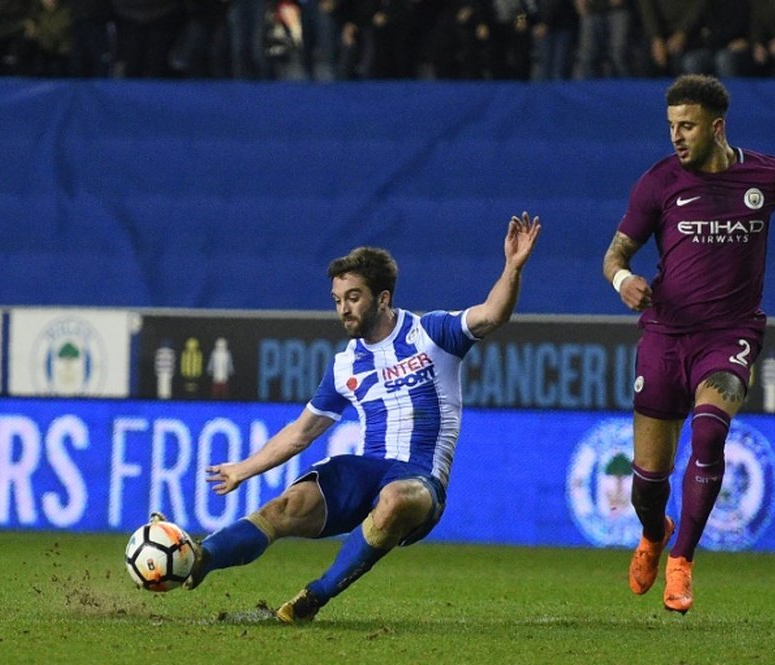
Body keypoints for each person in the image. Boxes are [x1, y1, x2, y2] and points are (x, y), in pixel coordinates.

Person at [184, 212, 542, 624]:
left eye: (353, 297)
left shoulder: (432, 333)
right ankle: (202, 557)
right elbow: (301, 433)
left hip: (420, 479)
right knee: (286, 506)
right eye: (338, 300)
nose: (343, 309)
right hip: (366, 469)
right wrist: (242, 470)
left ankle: (313, 597)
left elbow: (492, 313)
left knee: (393, 501)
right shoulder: (344, 366)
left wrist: (512, 269)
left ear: (383, 298)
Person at [601, 74, 775, 614]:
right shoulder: (658, 183)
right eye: (671, 126)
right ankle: (654, 533)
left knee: (710, 435)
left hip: (730, 334)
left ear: (717, 127)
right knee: (647, 482)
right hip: (666, 334)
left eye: (686, 126)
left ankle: (682, 561)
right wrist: (626, 282)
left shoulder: (769, 174)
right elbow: (614, 256)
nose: (676, 137)